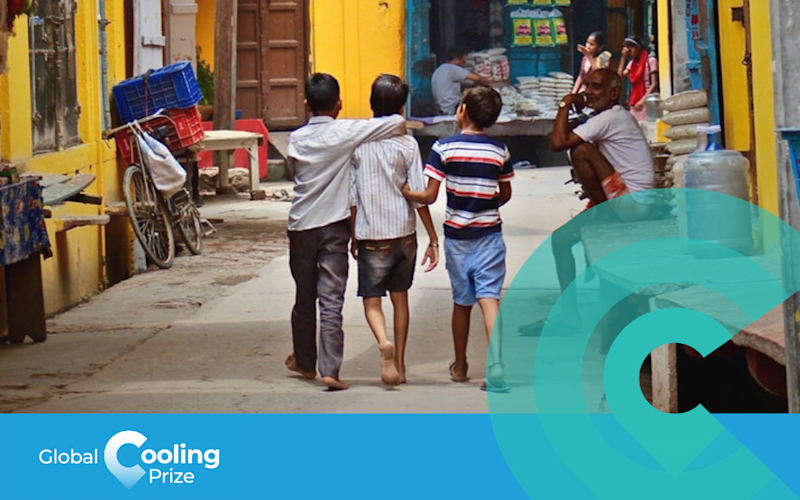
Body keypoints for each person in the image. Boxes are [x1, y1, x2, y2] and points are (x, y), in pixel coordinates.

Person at [285, 73, 406, 391]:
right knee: (331, 300)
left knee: (304, 297)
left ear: (306, 104)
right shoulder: (347, 132)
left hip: (300, 227)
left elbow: (293, 168)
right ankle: (330, 370)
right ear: (339, 104)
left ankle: (304, 360)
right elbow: (396, 124)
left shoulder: (295, 139)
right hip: (334, 229)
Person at [518, 68, 655, 336]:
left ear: (614, 93)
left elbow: (559, 142)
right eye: (587, 86)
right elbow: (560, 131)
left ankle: (604, 211)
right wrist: (569, 113)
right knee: (561, 240)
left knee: (581, 149)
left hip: (633, 204)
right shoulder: (604, 117)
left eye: (595, 87)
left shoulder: (612, 117)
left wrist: (565, 103)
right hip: (623, 199)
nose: (587, 93)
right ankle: (568, 314)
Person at [403, 85, 513, 392]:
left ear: (461, 110)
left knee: (462, 303)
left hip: (457, 239)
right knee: (489, 300)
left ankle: (461, 365)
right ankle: (497, 366)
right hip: (490, 236)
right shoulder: (499, 151)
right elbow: (505, 193)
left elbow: (428, 194)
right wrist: (484, 204)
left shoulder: (443, 148)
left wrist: (406, 192)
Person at [349, 74, 441, 386]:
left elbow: (352, 197)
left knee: (372, 299)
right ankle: (400, 364)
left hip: (371, 232)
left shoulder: (358, 145)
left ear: (372, 104)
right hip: (404, 233)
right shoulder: (408, 144)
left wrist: (353, 234)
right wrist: (432, 236)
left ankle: (382, 343)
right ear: (401, 107)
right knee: (400, 299)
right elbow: (418, 194)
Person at [431, 46, 492, 116]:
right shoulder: (451, 68)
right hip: (452, 108)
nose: (464, 65)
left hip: (442, 108)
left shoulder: (439, 70)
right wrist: (488, 83)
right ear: (456, 60)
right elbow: (478, 78)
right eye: (463, 62)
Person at [617, 36, 652, 122]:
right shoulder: (632, 63)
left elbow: (654, 84)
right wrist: (623, 58)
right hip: (635, 101)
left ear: (638, 48)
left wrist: (642, 101)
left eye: (631, 48)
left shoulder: (650, 61)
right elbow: (619, 76)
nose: (629, 52)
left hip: (647, 100)